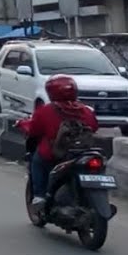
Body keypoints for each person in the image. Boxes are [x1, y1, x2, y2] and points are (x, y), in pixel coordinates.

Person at [18, 75, 98, 207]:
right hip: (83, 152)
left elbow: (34, 130)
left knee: (37, 161)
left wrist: (23, 125)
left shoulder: (45, 111)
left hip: (57, 154)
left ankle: (39, 196)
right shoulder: (85, 110)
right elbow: (94, 126)